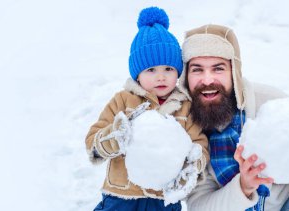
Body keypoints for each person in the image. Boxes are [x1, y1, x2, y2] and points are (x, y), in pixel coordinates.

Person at [177, 24, 289, 211]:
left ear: (234, 72)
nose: (207, 80)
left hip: (286, 206)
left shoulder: (270, 103)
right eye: (197, 70)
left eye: (218, 69)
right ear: (186, 77)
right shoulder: (184, 127)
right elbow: (198, 205)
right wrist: (244, 186)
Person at [85, 7, 209, 211]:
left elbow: (199, 143)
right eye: (151, 70)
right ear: (137, 74)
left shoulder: (185, 107)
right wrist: (113, 139)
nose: (161, 76)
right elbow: (93, 143)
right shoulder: (123, 101)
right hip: (121, 196)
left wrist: (194, 162)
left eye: (168, 69)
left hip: (164, 198)